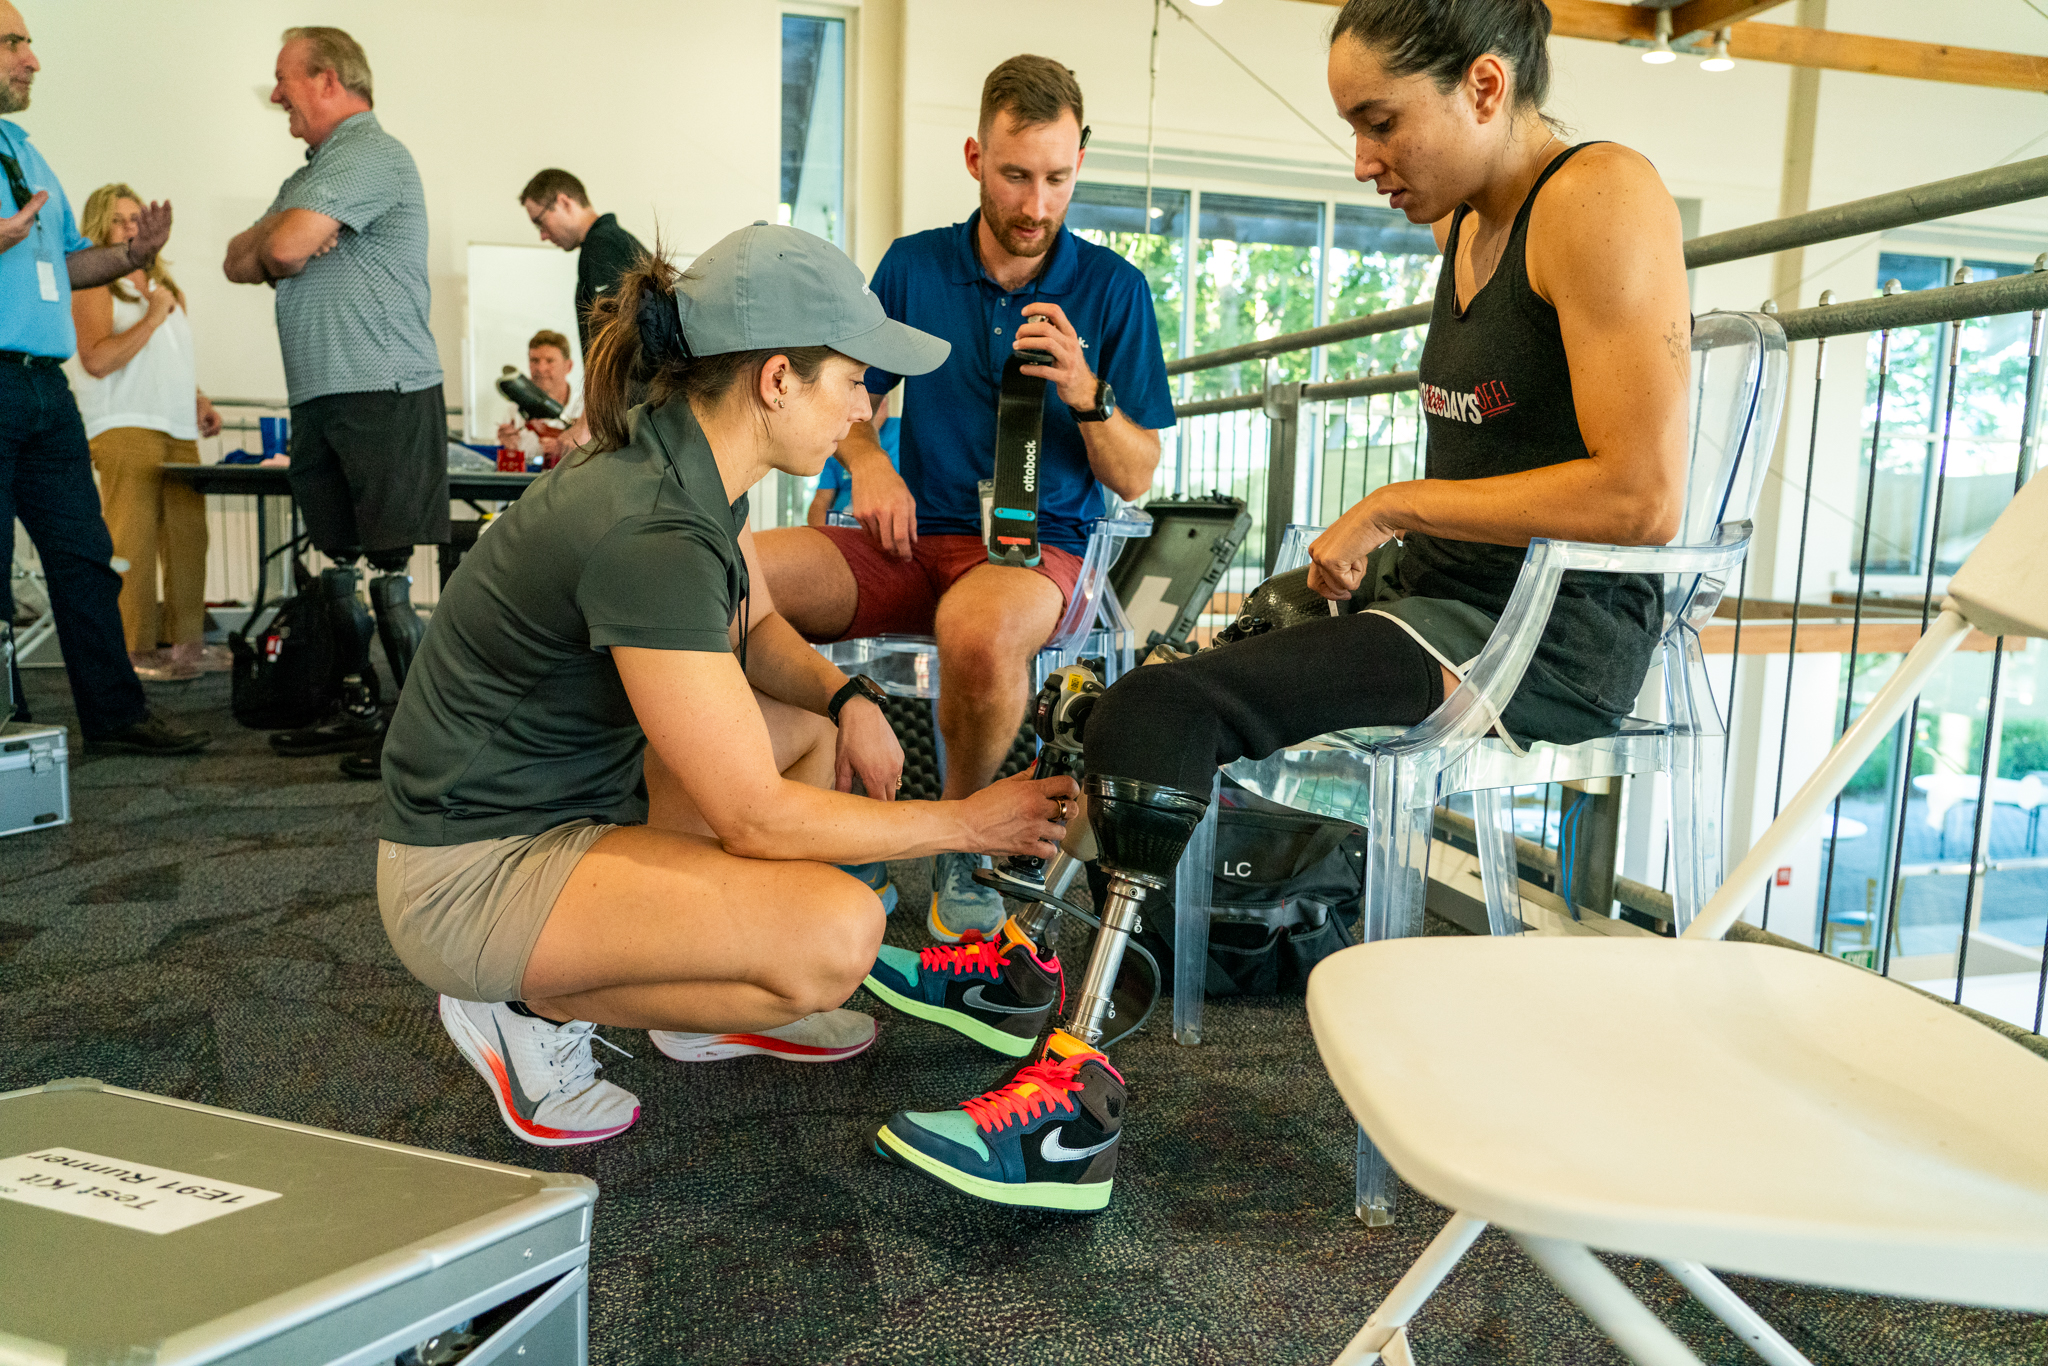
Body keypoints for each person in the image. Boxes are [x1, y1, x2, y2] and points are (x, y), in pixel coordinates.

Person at [869, 0, 1694, 1212]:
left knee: (1167, 708)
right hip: (1435, 599)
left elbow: (1643, 494)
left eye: (1378, 122)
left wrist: (1395, 507)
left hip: (1539, 636)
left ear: (1479, 85)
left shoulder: (1599, 195)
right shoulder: (1465, 223)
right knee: (1157, 661)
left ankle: (1069, 1111)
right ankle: (1019, 950)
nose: (1362, 159)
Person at [375, 223, 1079, 1147]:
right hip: (468, 877)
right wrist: (966, 821)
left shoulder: (692, 465)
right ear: (777, 378)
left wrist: (851, 699)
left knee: (810, 732)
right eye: (854, 379)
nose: (863, 409)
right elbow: (752, 817)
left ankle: (698, 1000)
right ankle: (520, 1009)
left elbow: (751, 630)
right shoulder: (655, 525)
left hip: (569, 801)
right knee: (835, 935)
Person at [756, 55, 1175, 944]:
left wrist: (1086, 391)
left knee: (976, 633)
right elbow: (846, 401)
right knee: (735, 572)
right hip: (912, 537)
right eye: (1017, 175)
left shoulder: (1114, 290)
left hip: (1035, 552)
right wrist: (867, 460)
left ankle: (962, 839)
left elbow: (1137, 475)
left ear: (1079, 165)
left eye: (1057, 179)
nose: (1035, 204)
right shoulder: (912, 267)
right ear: (975, 157)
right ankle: (816, 803)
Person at [223, 25, 445, 779]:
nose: (276, 93)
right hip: (319, 391)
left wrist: (285, 238)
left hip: (381, 386)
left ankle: (418, 736)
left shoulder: (371, 154)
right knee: (335, 560)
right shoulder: (311, 175)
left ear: (327, 79)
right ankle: (359, 707)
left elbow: (278, 254)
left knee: (389, 568)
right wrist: (284, 231)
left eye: (284, 77)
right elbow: (237, 259)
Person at [0, 2, 208, 755]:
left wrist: (128, 257)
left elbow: (66, 259)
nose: (32, 60)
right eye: (15, 43)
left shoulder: (23, 149)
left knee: (87, 557)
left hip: (43, 390)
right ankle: (6, 725)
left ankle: (117, 717)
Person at [72, 183, 224, 683]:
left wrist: (198, 398)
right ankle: (133, 652)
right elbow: (97, 359)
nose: (133, 227)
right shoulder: (94, 282)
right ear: (100, 227)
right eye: (120, 220)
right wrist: (154, 316)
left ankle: (187, 647)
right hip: (123, 424)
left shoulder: (167, 289)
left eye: (138, 218)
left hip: (177, 427)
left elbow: (172, 360)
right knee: (130, 540)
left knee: (188, 538)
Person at [519, 167, 645, 363]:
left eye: (540, 222)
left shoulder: (602, 247)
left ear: (564, 203)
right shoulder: (613, 242)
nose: (543, 235)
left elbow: (616, 346)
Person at [494, 329, 582, 468]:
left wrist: (564, 451)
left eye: (549, 361)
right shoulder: (514, 410)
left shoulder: (585, 408)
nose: (541, 368)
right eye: (534, 360)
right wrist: (509, 450)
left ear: (568, 366)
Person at [806, 396, 898, 527]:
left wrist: (871, 430)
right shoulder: (840, 438)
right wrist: (829, 536)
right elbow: (820, 501)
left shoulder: (902, 431)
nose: (881, 403)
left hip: (887, 523)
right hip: (842, 526)